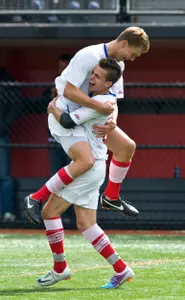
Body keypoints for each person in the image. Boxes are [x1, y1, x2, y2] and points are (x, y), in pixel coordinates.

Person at [24, 26, 150, 224]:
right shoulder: (88, 55)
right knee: (85, 162)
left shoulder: (119, 65)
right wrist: (99, 108)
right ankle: (36, 198)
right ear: (124, 44)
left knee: (127, 147)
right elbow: (68, 92)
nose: (132, 58)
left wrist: (112, 120)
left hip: (89, 116)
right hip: (66, 115)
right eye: (133, 54)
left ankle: (110, 197)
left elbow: (112, 100)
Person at [37, 58, 134, 288]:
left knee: (49, 212)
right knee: (86, 225)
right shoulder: (102, 100)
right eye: (93, 73)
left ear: (108, 84)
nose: (91, 77)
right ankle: (122, 269)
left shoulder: (99, 103)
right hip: (97, 166)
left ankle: (60, 268)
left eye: (97, 76)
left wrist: (53, 108)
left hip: (90, 168)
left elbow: (69, 121)